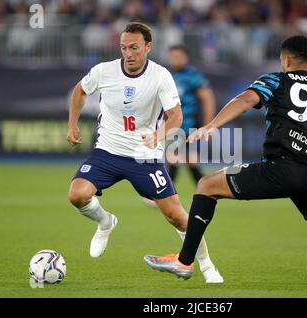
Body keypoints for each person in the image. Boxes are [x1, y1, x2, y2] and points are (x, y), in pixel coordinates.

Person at [144, 35, 307, 291]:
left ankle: (185, 261)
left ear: (286, 59)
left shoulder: (276, 80)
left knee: (207, 185)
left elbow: (245, 100)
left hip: (280, 170)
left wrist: (211, 125)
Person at [66, 22, 223, 283]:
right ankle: (105, 222)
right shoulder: (104, 71)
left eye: (134, 48)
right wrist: (72, 123)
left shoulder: (161, 76)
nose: (128, 53)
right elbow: (80, 90)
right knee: (77, 195)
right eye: (124, 48)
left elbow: (176, 116)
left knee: (176, 215)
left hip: (144, 156)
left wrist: (157, 136)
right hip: (107, 151)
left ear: (148, 47)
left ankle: (208, 267)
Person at [142, 44, 216, 208]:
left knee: (175, 158)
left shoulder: (193, 76)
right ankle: (209, 192)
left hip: (188, 125)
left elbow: (207, 98)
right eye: (173, 57)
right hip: (173, 126)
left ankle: (163, 196)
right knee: (187, 161)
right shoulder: (168, 75)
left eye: (178, 56)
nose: (175, 60)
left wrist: (209, 124)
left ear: (186, 57)